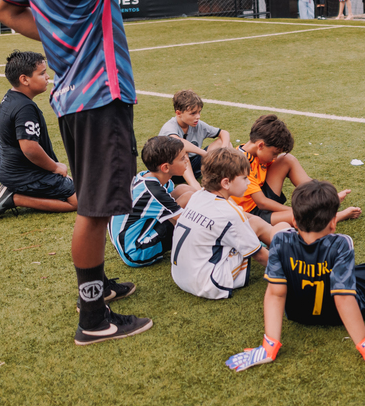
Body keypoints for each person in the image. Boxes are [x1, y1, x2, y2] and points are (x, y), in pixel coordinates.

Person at [0, 0, 164, 346]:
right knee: (94, 207)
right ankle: (93, 318)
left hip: (72, 95)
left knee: (95, 193)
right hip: (100, 95)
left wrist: (54, 40)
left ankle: (100, 286)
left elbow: (5, 9)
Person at [224, 180, 365, 371]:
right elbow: (343, 296)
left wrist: (269, 347)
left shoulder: (281, 241)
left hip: (298, 313)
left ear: (295, 220)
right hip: (343, 311)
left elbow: (275, 293)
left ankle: (271, 346)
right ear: (333, 223)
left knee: (278, 229)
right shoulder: (342, 243)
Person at [171, 148, 289, 300]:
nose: (248, 182)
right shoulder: (230, 212)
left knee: (253, 222)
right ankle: (293, 259)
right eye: (245, 178)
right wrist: (288, 271)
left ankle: (286, 247)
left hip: (180, 275)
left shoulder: (198, 196)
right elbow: (259, 256)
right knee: (258, 226)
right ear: (226, 183)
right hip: (208, 283)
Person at [0, 50, 78, 220]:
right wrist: (55, 167)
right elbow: (30, 148)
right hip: (25, 175)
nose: (47, 77)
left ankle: (14, 190)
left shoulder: (10, 98)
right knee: (79, 202)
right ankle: (13, 198)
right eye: (42, 73)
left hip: (15, 171)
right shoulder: (25, 108)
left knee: (76, 185)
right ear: (24, 79)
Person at [233, 114, 359, 227]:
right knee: (301, 217)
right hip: (253, 213)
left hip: (262, 196)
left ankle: (322, 198)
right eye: (274, 153)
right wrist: (295, 211)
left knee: (286, 159)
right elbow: (262, 203)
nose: (275, 158)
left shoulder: (257, 153)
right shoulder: (240, 163)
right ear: (260, 145)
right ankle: (336, 217)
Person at [108, 136, 197, 269]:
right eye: (182, 158)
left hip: (135, 238)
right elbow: (186, 219)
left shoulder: (149, 177)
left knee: (183, 189)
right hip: (136, 252)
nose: (187, 160)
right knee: (188, 199)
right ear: (166, 167)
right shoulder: (153, 191)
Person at [158, 89, 230, 184]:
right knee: (182, 151)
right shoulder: (169, 127)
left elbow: (224, 133)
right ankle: (195, 186)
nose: (198, 116)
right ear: (178, 113)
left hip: (194, 166)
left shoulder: (198, 124)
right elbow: (179, 143)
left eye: (199, 112)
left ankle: (226, 174)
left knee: (222, 142)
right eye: (193, 113)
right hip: (173, 171)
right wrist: (204, 153)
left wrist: (224, 148)